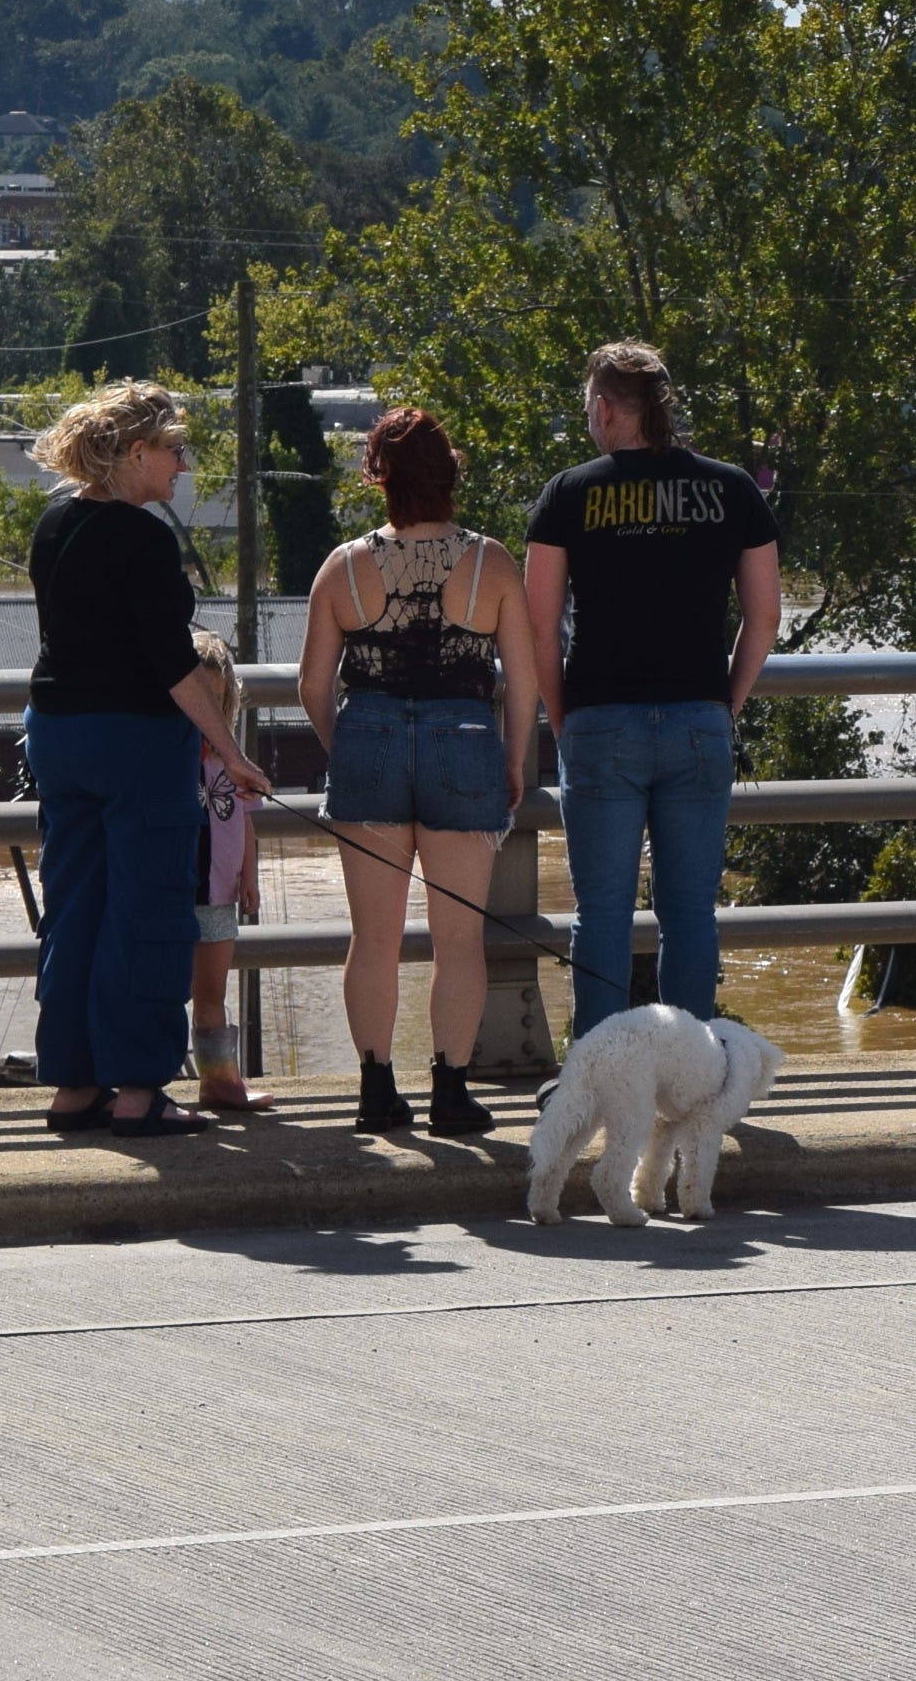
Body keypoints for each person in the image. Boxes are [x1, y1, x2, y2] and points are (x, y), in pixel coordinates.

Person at [20, 380, 273, 1138]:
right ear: (135, 453)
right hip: (135, 741)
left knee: (75, 909)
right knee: (149, 911)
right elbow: (173, 664)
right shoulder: (143, 537)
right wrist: (230, 754)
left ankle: (73, 1084)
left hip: (59, 734)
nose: (183, 467)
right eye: (173, 450)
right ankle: (137, 1090)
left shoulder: (55, 523)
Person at [519, 343, 780, 1040]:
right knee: (690, 910)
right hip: (698, 718)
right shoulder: (733, 489)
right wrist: (727, 703)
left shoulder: (569, 493)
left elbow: (540, 625)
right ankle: (691, 1075)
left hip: (601, 720)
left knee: (601, 912)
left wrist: (559, 715)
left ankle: (597, 1073)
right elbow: (764, 617)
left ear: (605, 409)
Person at [300, 404, 533, 1135]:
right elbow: (524, 682)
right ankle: (452, 1094)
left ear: (380, 476)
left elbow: (312, 685)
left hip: (367, 735)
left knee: (373, 937)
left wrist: (347, 746)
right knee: (458, 937)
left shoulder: (343, 565)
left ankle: (376, 1091)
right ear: (450, 474)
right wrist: (515, 760)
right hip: (463, 740)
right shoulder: (490, 561)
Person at [184, 636, 267, 1115]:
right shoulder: (168, 757)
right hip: (170, 888)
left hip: (218, 893)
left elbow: (246, 821)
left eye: (216, 702)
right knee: (160, 986)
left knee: (212, 992)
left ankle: (219, 1083)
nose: (206, 712)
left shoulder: (231, 760)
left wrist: (248, 877)